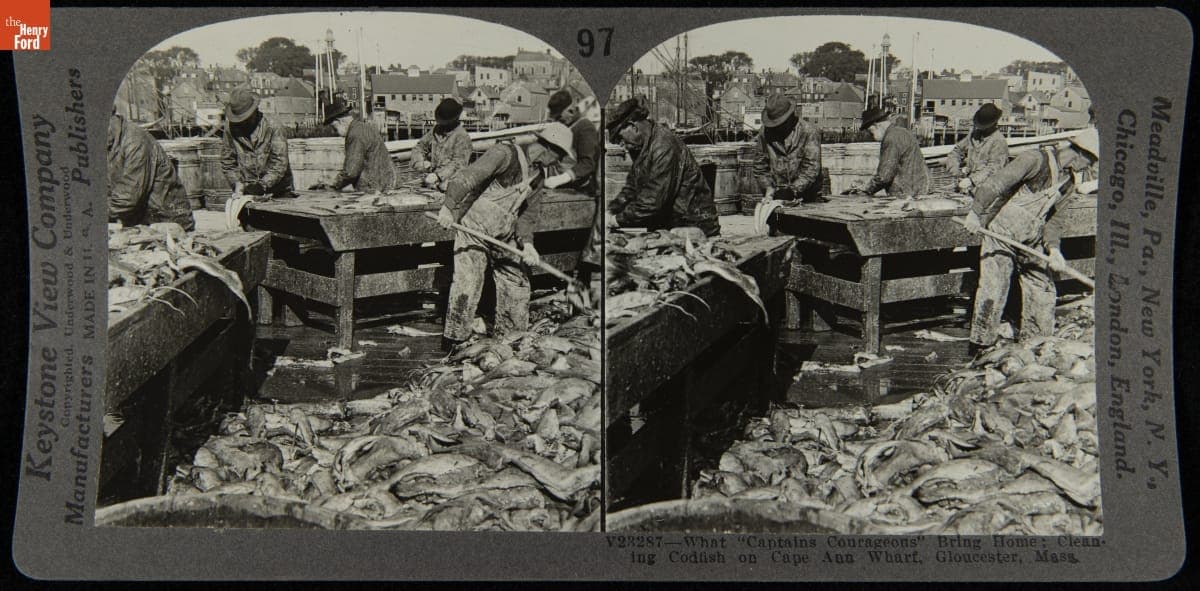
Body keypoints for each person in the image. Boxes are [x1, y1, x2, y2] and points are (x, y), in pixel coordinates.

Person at [434, 122, 576, 350]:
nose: (556, 162)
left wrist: (528, 245)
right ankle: (455, 341)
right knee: (468, 282)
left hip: (505, 233)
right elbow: (467, 177)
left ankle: (510, 339)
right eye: (557, 156)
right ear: (546, 147)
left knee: (517, 282)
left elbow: (528, 216)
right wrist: (448, 207)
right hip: (475, 229)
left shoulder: (538, 177)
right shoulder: (504, 153)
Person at [962, 127, 1100, 355]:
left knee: (1042, 288)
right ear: (1081, 154)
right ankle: (981, 345)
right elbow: (995, 184)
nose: (1091, 168)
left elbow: (1054, 222)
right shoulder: (1034, 159)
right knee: (994, 287)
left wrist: (1054, 250)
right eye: (1091, 161)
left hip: (1032, 238)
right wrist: (975, 213)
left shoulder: (1069, 183)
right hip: (1003, 233)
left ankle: (1037, 343)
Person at [605, 97, 720, 236]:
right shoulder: (641, 146)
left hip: (694, 226)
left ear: (633, 127)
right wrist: (612, 209)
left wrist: (616, 220)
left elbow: (652, 200)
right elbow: (632, 187)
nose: (622, 145)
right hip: (670, 226)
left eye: (620, 138)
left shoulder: (664, 146)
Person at [546, 89, 603, 276]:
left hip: (581, 189)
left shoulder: (584, 127)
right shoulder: (570, 126)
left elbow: (588, 163)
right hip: (568, 187)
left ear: (570, 110)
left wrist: (562, 178)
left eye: (560, 119)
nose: (558, 123)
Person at [106, 112, 195, 230]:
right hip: (140, 221)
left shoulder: (135, 141)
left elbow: (128, 196)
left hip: (167, 221)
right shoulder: (111, 142)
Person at [309, 97, 396, 193]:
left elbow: (351, 171)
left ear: (340, 121)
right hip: (386, 183)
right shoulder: (363, 127)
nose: (335, 132)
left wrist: (333, 182)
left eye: (334, 128)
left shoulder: (355, 134)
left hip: (377, 189)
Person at [220, 87, 294, 199]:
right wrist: (237, 183)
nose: (242, 122)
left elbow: (279, 162)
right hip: (247, 193)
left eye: (246, 118)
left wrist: (262, 185)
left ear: (255, 111)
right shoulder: (230, 128)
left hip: (279, 191)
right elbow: (228, 162)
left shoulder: (274, 126)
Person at [752, 94, 825, 203]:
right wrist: (768, 188)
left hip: (808, 197)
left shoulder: (809, 132)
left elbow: (811, 168)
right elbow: (759, 167)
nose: (776, 127)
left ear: (790, 117)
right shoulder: (765, 133)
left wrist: (792, 191)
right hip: (776, 198)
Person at [846, 107, 929, 198]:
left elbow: (884, 176)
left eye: (871, 133)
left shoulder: (890, 138)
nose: (873, 137)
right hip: (921, 189)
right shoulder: (903, 132)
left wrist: (865, 189)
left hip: (908, 194)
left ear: (876, 125)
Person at [945, 103, 1009, 195]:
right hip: (966, 186)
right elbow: (956, 151)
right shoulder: (974, 135)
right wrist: (956, 171)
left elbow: (993, 168)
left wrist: (971, 180)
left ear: (994, 123)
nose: (981, 129)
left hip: (988, 190)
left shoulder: (998, 141)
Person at [411, 98, 472, 190]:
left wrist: (438, 176)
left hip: (452, 184)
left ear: (454, 119)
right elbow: (419, 147)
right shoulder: (436, 130)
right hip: (431, 181)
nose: (442, 125)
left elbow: (458, 163)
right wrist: (421, 163)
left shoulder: (462, 137)